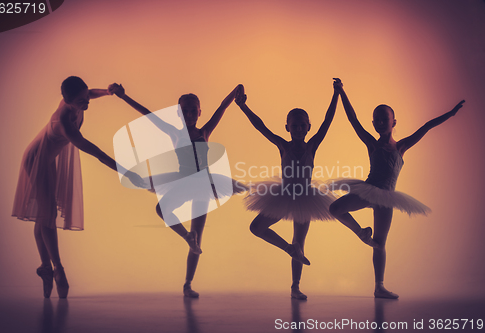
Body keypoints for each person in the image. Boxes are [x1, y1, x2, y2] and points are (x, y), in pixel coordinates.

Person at [328, 79, 464, 299]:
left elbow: (427, 126)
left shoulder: (401, 147)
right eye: (377, 120)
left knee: (380, 244)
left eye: (385, 119)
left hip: (387, 197)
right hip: (368, 190)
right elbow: (353, 120)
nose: (381, 122)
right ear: (373, 124)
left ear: (394, 122)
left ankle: (379, 286)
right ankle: (361, 233)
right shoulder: (371, 143)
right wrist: (341, 92)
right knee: (335, 209)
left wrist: (450, 114)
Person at [12, 76, 144, 298]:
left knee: (45, 214)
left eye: (86, 97)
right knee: (49, 215)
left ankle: (45, 267)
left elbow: (90, 92)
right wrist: (126, 172)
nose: (87, 103)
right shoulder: (64, 125)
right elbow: (98, 154)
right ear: (67, 101)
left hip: (48, 158)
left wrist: (108, 92)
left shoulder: (76, 100)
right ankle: (58, 269)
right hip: (36, 159)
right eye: (81, 101)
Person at [111, 83, 246, 297]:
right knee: (162, 210)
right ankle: (186, 237)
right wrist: (123, 97)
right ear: (178, 112)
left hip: (203, 183)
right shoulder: (174, 132)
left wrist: (236, 90)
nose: (190, 114)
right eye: (185, 110)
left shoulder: (204, 131)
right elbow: (148, 115)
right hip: (182, 181)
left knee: (198, 238)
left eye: (194, 110)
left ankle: (187, 284)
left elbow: (222, 107)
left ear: (200, 112)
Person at [234, 80, 339, 299]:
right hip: (283, 195)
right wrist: (244, 107)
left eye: (303, 125)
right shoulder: (283, 145)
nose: (299, 129)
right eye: (295, 125)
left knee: (300, 242)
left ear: (309, 126)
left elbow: (328, 122)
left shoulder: (312, 144)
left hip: (307, 198)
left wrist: (336, 95)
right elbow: (260, 126)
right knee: (257, 227)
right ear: (287, 127)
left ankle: (295, 287)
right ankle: (287, 248)